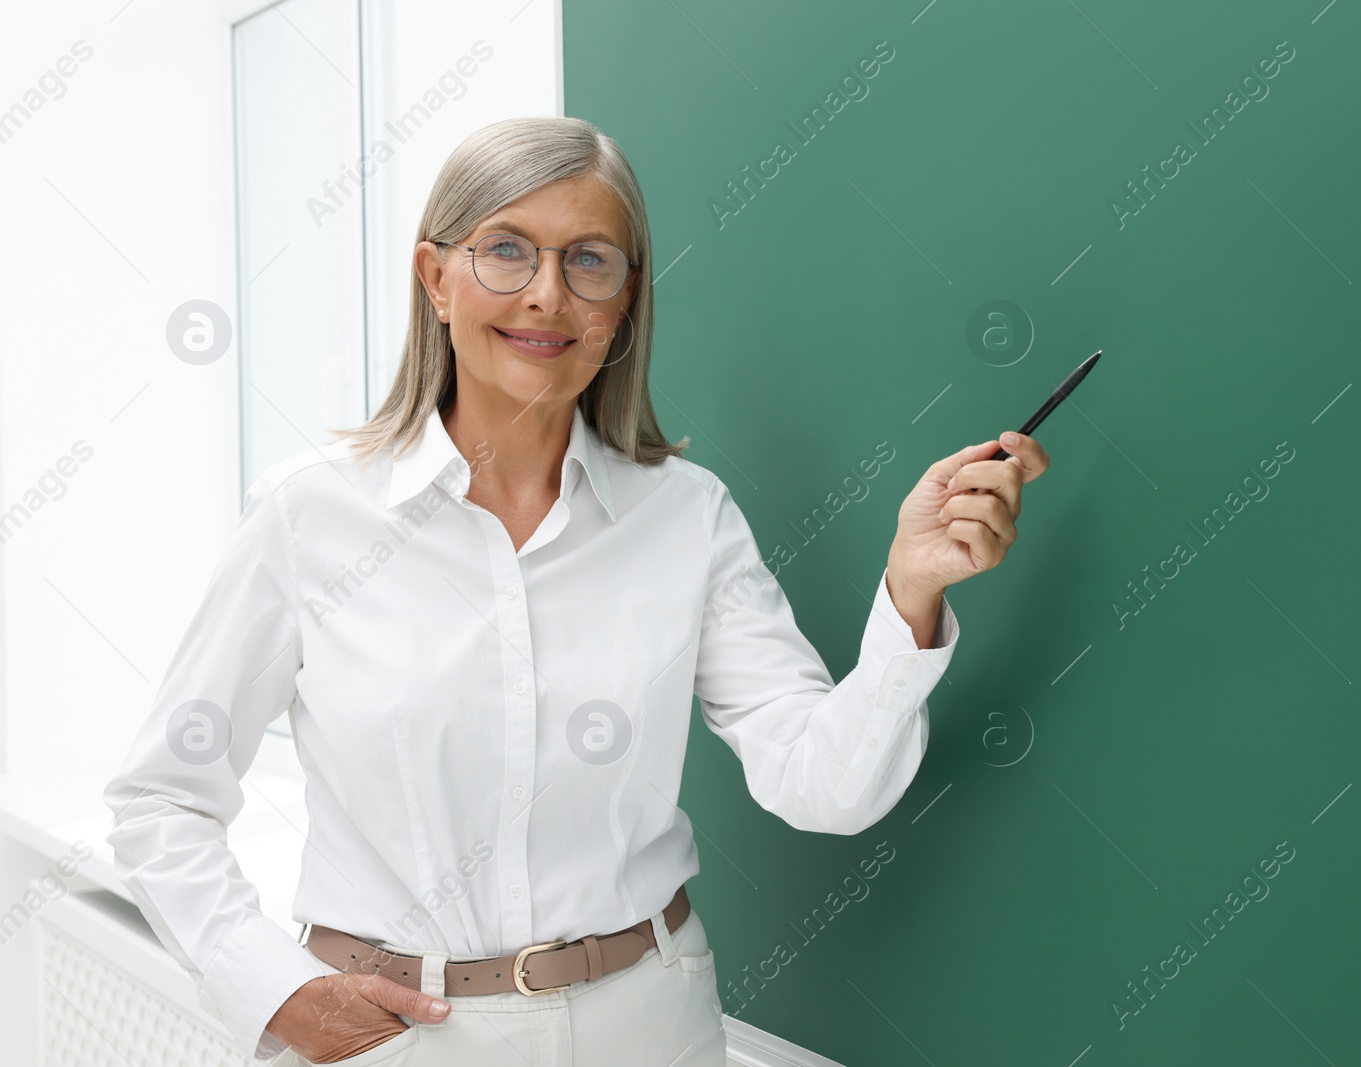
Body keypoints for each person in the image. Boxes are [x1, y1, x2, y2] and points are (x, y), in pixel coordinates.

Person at [102, 115, 1048, 1066]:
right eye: (506, 251)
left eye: (590, 261)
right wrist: (275, 989)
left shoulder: (687, 519)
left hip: (649, 1027)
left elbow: (822, 787)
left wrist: (911, 587)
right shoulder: (310, 517)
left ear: (625, 301)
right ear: (436, 277)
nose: (548, 295)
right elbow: (159, 799)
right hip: (391, 1038)